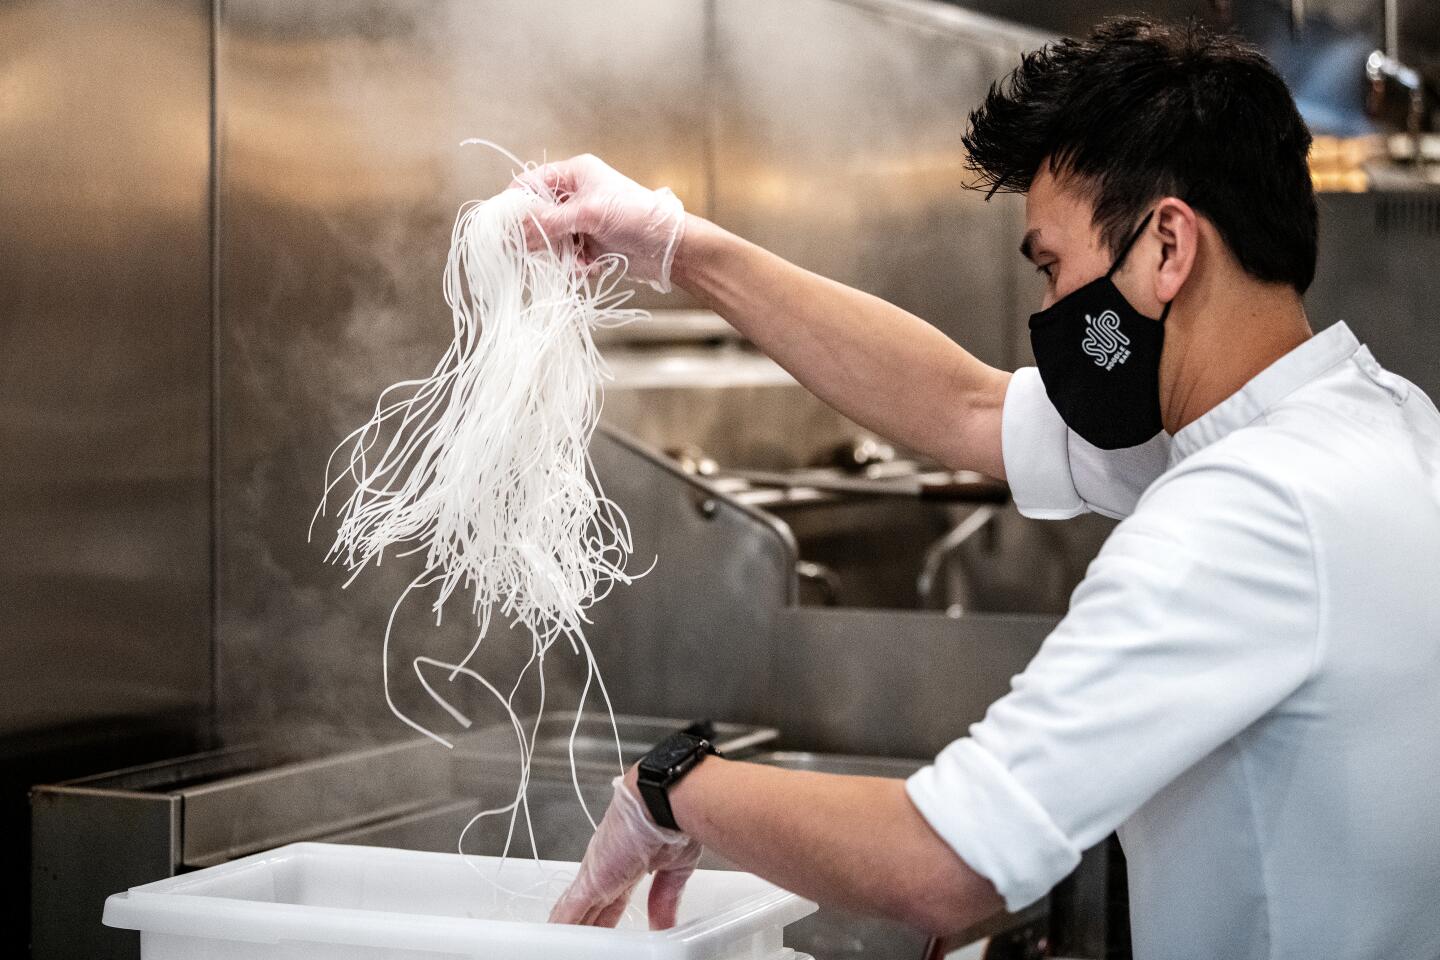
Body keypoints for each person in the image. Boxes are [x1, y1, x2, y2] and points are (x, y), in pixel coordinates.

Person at [518, 17, 1440, 960]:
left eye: (1053, 267)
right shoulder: (1378, 423)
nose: (1051, 315)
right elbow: (967, 408)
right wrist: (679, 246)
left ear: (1168, 247)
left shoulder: (1241, 512)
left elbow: (947, 863)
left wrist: (674, 792)